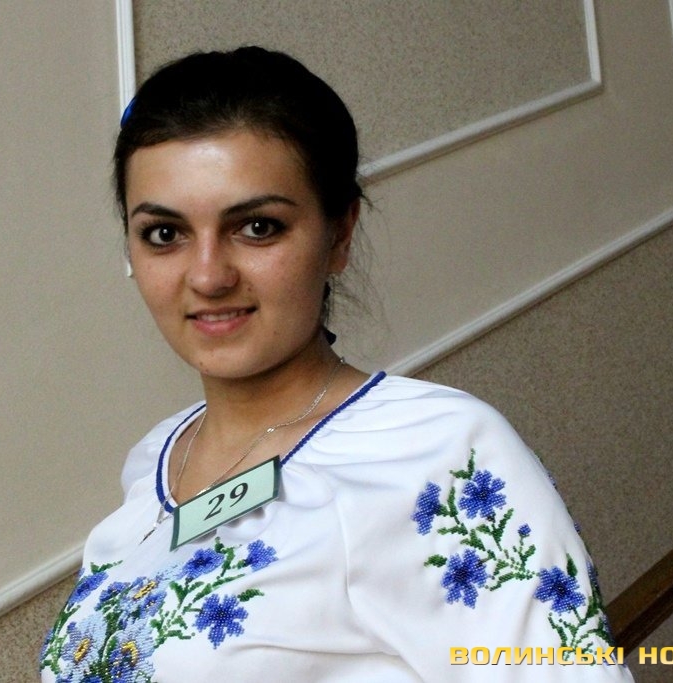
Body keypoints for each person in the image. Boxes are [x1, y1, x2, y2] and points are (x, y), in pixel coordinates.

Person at [40, 47, 633, 682]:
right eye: (165, 234)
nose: (208, 276)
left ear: (340, 233)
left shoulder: (439, 452)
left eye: (258, 227)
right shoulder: (158, 457)